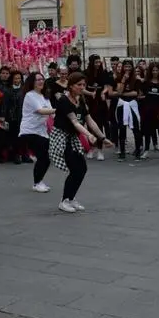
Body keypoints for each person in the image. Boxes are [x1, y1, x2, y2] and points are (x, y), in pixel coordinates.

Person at [50, 72, 112, 214]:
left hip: (73, 138)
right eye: (79, 85)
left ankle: (71, 198)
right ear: (71, 86)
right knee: (75, 169)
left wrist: (102, 137)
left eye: (84, 85)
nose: (82, 87)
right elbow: (74, 122)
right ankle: (64, 201)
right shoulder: (64, 101)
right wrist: (89, 135)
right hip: (61, 138)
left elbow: (89, 120)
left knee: (82, 168)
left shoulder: (81, 100)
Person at [19, 72, 55, 193]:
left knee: (45, 158)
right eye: (37, 80)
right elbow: (41, 110)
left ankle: (39, 181)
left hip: (42, 131)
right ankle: (37, 183)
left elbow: (51, 113)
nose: (41, 81)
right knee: (43, 157)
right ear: (32, 83)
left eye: (42, 79)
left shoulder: (44, 96)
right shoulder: (30, 95)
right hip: (30, 131)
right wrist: (58, 109)